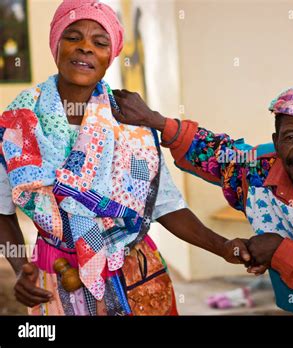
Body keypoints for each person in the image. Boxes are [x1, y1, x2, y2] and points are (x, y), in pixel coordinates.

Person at [0, 0, 250, 316]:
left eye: (99, 42)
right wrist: (21, 267)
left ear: (110, 56)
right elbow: (2, 208)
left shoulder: (128, 123)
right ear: (56, 45)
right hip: (57, 275)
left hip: (135, 274)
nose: (86, 49)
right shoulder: (19, 124)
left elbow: (165, 205)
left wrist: (222, 247)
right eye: (73, 37)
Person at [112, 86, 293, 315]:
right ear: (276, 138)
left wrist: (278, 251)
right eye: (291, 137)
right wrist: (155, 120)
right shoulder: (261, 167)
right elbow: (217, 154)